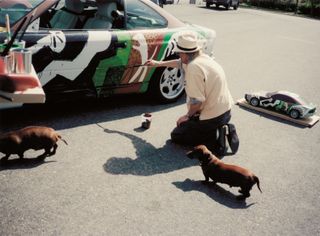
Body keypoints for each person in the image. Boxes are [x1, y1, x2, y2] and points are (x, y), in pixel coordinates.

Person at [145, 32, 234, 155]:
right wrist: (158, 64)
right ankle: (218, 127)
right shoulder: (203, 58)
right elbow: (179, 63)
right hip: (226, 111)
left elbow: (197, 101)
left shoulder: (193, 68)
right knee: (185, 128)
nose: (179, 55)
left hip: (212, 117)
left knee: (177, 135)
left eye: (179, 53)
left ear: (185, 54)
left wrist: (186, 117)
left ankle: (216, 140)